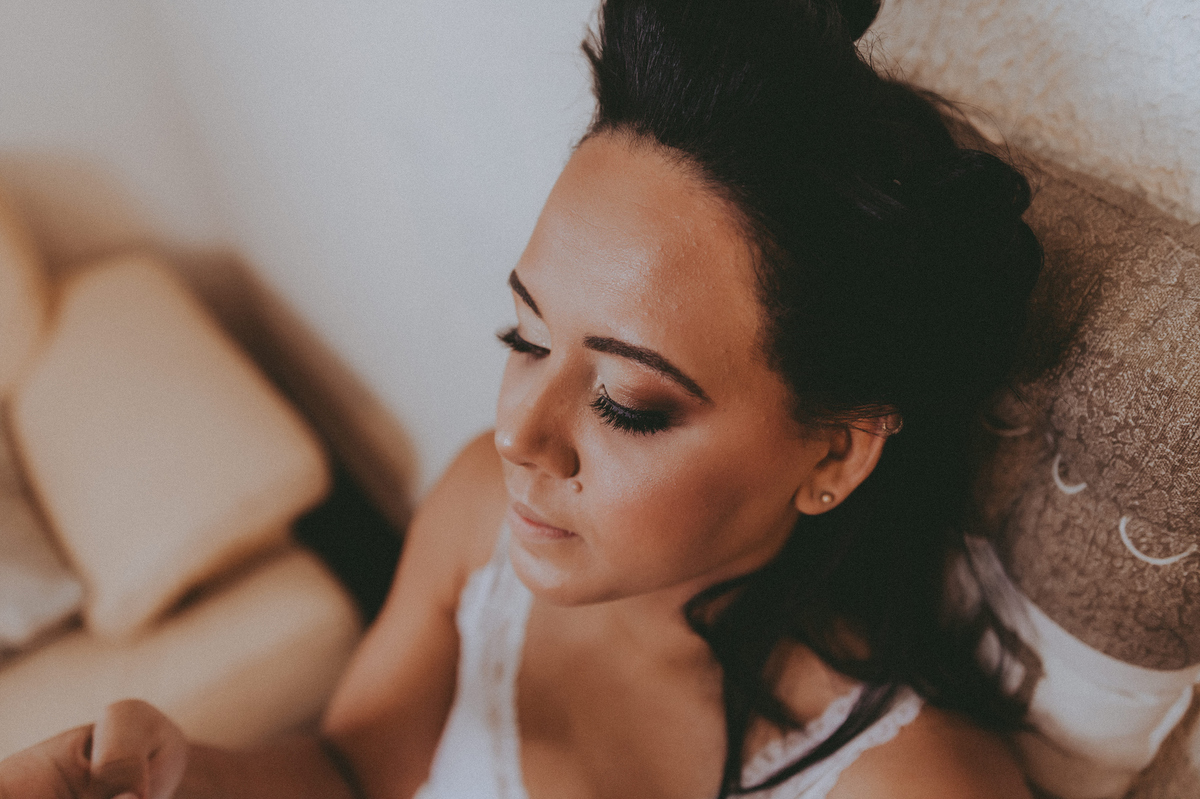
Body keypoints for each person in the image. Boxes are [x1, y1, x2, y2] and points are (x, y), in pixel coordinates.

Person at [0, 0, 1044, 796]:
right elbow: (356, 769)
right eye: (526, 339)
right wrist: (188, 777)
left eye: (626, 401)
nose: (514, 433)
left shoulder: (912, 783)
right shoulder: (481, 519)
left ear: (835, 454)